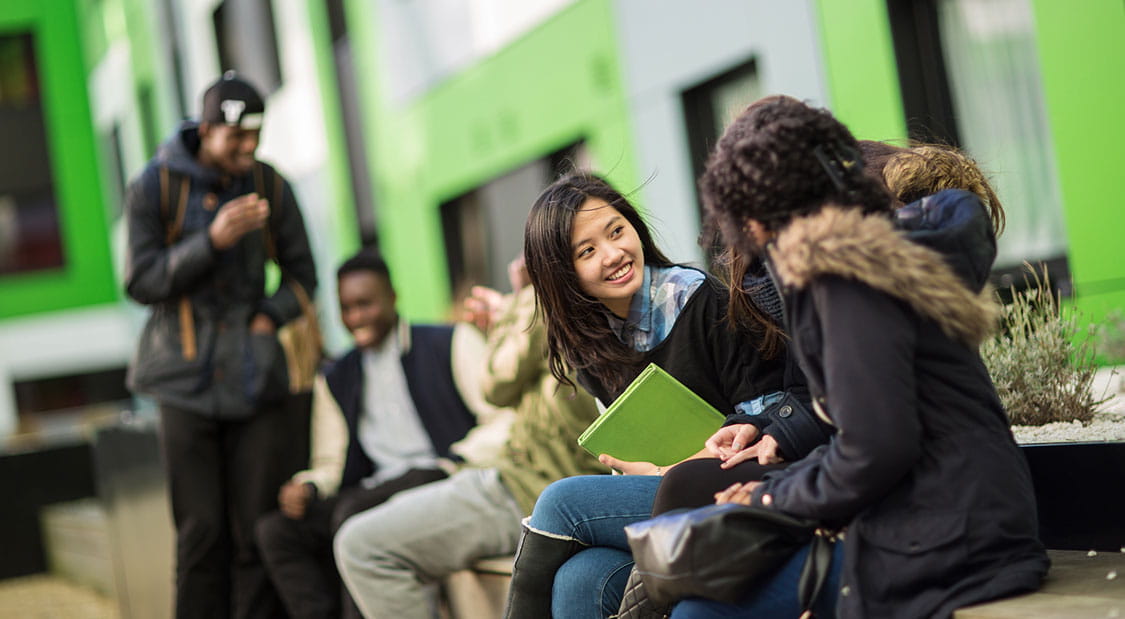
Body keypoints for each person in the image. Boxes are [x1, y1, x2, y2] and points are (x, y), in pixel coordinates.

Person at [673, 95, 1047, 618]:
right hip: (970, 520)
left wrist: (769, 499)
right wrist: (775, 487)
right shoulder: (877, 251)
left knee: (700, 612)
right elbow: (878, 434)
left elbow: (877, 449)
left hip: (945, 542)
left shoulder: (840, 278)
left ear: (752, 215)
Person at [504, 172, 840, 619]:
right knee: (581, 576)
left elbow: (765, 425)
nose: (613, 254)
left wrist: (671, 468)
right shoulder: (586, 344)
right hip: (664, 486)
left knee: (561, 503)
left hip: (739, 480)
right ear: (564, 277)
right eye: (587, 252)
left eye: (617, 231)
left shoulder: (702, 301)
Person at [123, 72, 317, 619]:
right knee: (201, 534)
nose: (248, 148)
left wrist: (265, 318)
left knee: (257, 528)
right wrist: (211, 241)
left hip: (255, 378)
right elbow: (140, 282)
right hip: (181, 384)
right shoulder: (154, 187)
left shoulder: (271, 185)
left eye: (256, 136)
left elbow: (304, 277)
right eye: (236, 138)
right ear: (207, 130)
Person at [332, 255, 604, 619]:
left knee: (361, 546)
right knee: (355, 527)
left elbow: (496, 384)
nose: (608, 256)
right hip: (501, 474)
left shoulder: (558, 317)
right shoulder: (554, 321)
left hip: (524, 488)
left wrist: (523, 303)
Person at [253, 250, 491, 619]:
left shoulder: (451, 342)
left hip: (443, 476)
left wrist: (459, 459)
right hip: (374, 489)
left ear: (393, 297)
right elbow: (330, 461)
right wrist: (308, 486)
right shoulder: (336, 377)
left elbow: (497, 420)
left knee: (352, 511)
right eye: (347, 308)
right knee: (276, 532)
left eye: (365, 304)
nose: (355, 317)